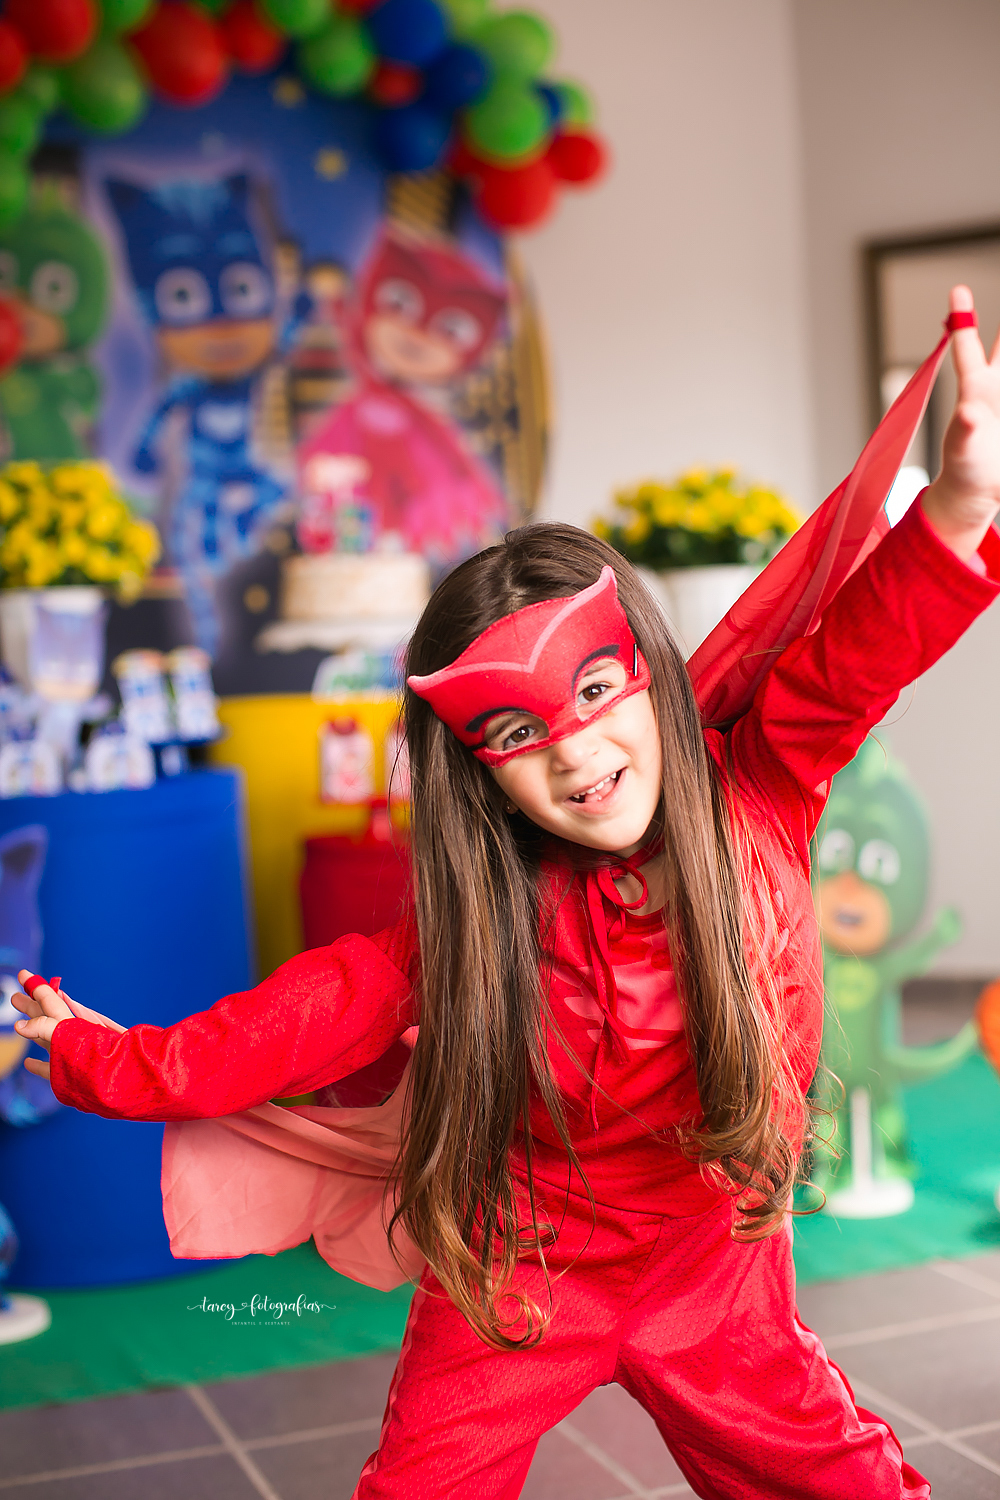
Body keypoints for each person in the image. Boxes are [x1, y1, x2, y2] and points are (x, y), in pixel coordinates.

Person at [13, 287, 1000, 1499]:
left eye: (591, 692)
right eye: (516, 732)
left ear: (649, 676)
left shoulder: (758, 788)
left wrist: (955, 509)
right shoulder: (471, 930)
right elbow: (287, 1024)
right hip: (519, 1276)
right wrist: (100, 1056)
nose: (574, 755)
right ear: (476, 771)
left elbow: (854, 657)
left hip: (714, 1269)